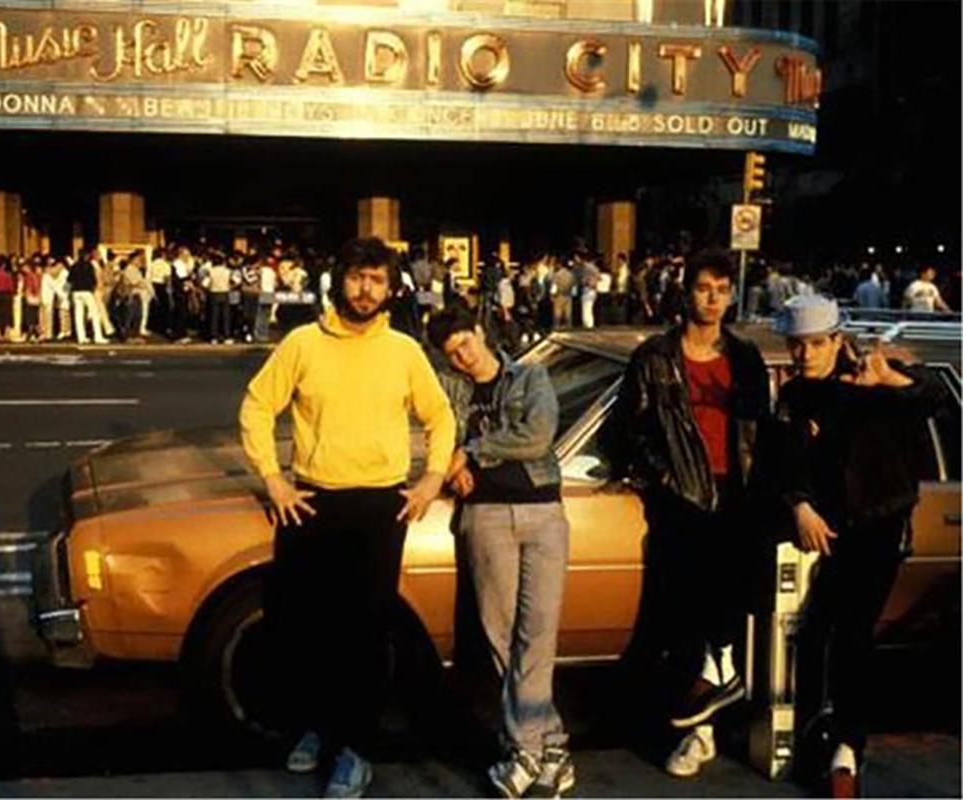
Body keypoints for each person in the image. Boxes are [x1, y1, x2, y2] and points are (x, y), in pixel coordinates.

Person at [239, 237, 455, 799]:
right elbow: (258, 405)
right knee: (302, 627)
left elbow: (440, 416)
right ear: (341, 280)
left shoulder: (404, 351)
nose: (366, 290)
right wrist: (273, 478)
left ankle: (355, 748)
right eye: (358, 277)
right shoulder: (303, 343)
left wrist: (432, 478)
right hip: (311, 501)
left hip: (381, 506)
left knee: (365, 633)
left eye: (377, 280)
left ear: (391, 288)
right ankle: (316, 727)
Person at [603, 248, 772, 780]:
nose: (714, 299)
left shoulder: (744, 357)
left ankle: (701, 729)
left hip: (736, 497)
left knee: (713, 608)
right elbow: (627, 429)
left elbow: (759, 430)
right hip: (679, 500)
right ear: (687, 292)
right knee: (678, 614)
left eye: (722, 290)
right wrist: (662, 477)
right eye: (704, 288)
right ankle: (703, 723)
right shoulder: (655, 356)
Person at [772, 295, 945, 798]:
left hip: (879, 524)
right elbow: (787, 461)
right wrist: (799, 504)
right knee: (815, 633)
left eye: (813, 345)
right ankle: (817, 739)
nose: (804, 355)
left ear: (836, 341)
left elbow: (930, 397)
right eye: (796, 346)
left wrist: (893, 379)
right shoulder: (799, 395)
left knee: (851, 634)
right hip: (829, 528)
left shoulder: (876, 379)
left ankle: (848, 750)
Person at [427, 305, 575, 799]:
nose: (464, 358)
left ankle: (525, 750)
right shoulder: (449, 387)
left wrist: (471, 452)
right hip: (486, 516)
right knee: (501, 636)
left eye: (466, 344)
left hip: (543, 515)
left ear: (481, 332)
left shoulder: (530, 375)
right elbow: (433, 433)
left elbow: (537, 437)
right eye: (452, 354)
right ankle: (545, 747)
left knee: (538, 636)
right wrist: (447, 465)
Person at [69, 249, 107, 345]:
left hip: (76, 291)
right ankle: (98, 336)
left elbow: (69, 279)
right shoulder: (89, 266)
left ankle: (81, 337)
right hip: (87, 291)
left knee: (78, 315)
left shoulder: (74, 265)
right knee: (95, 314)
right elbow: (93, 279)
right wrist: (92, 286)